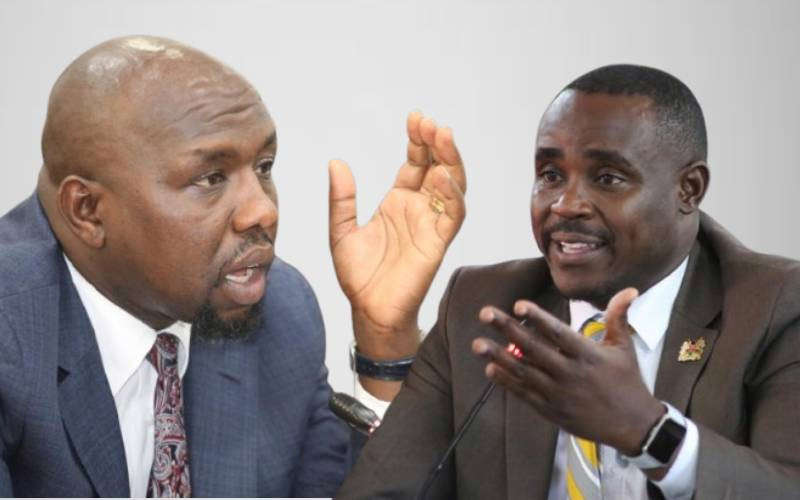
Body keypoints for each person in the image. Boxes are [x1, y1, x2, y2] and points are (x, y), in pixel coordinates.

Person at [0, 36, 466, 497]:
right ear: (87, 211)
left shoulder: (281, 313)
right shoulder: (12, 329)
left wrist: (384, 340)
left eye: (264, 166)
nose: (263, 210)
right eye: (211, 178)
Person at [338, 65, 800, 499]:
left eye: (607, 178)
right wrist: (384, 334)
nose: (565, 204)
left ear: (689, 190)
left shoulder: (774, 307)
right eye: (551, 175)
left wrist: (650, 431)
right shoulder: (481, 306)